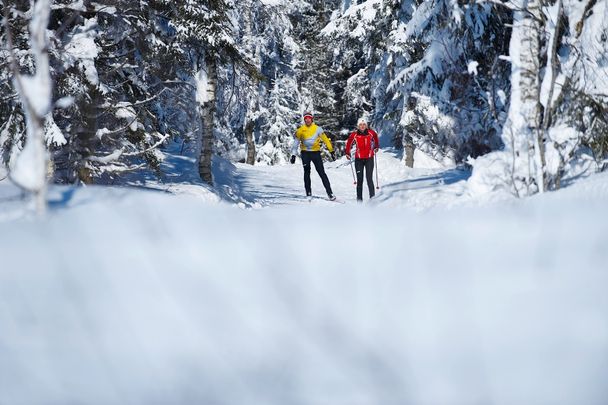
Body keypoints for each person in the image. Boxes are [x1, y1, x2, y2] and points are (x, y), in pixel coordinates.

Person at [290, 112, 337, 200]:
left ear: (312, 119)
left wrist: (331, 151)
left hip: (316, 153)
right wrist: (293, 155)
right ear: (304, 120)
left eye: (309, 118)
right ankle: (308, 193)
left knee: (322, 173)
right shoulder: (300, 130)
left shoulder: (318, 129)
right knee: (307, 173)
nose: (307, 120)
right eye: (306, 118)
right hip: (305, 153)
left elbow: (326, 140)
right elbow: (296, 143)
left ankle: (330, 193)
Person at [345, 118, 379, 201]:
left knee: (369, 179)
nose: (362, 126)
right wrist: (347, 152)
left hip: (369, 159)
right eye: (360, 125)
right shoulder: (354, 134)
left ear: (366, 125)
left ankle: (372, 200)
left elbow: (376, 139)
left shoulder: (371, 133)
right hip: (359, 160)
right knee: (359, 181)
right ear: (358, 126)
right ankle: (359, 201)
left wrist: (376, 147)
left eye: (364, 124)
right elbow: (349, 142)